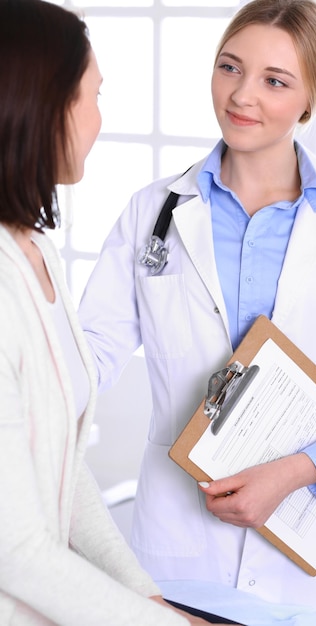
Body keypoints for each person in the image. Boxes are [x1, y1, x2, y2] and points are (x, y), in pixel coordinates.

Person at [78, 1, 316, 625]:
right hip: (182, 547)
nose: (242, 95)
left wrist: (296, 471)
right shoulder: (153, 213)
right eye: (229, 67)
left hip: (315, 554)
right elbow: (90, 352)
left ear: (311, 98)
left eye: (275, 80)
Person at [0, 1, 236, 625]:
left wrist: (150, 598)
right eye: (94, 95)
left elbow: (65, 466)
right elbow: (16, 553)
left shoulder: (36, 250)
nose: (101, 119)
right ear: (45, 103)